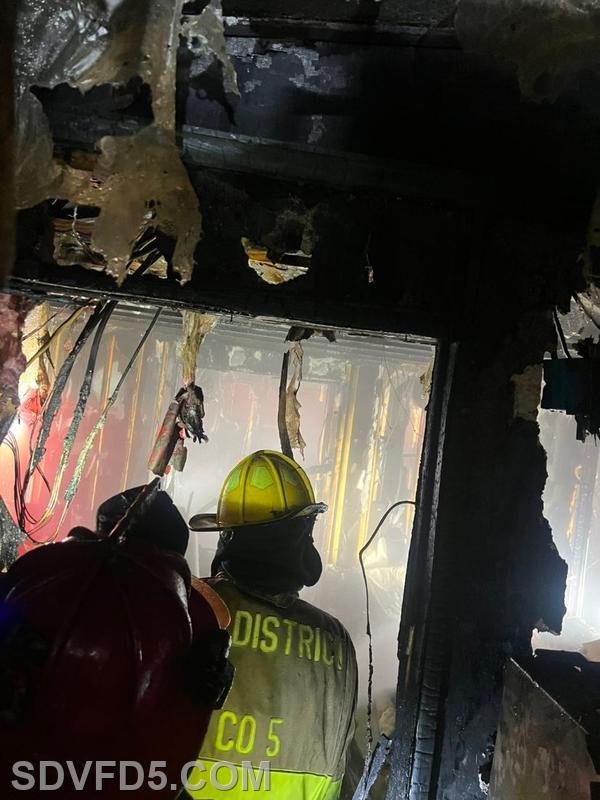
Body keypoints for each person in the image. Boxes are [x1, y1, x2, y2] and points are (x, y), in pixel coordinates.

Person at [185, 450, 358, 799]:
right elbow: (347, 773)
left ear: (227, 537)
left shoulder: (193, 608)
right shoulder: (336, 642)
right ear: (301, 539)